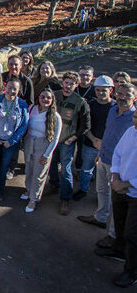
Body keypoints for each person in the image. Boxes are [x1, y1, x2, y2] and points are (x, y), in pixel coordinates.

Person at [77, 83, 136, 247]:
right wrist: (99, 154)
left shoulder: (133, 119)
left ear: (134, 98)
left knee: (116, 202)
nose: (122, 97)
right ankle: (100, 217)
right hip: (103, 158)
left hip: (119, 168)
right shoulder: (112, 111)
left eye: (127, 95)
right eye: (120, 94)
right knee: (101, 191)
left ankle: (113, 235)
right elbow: (108, 135)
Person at [95, 111, 137, 288]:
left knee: (132, 234)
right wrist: (115, 175)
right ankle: (118, 250)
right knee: (119, 224)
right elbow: (118, 153)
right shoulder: (130, 132)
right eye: (136, 117)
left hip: (133, 193)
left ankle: (131, 272)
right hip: (120, 187)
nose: (136, 121)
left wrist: (125, 183)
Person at [49, 71, 91, 215]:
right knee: (51, 164)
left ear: (76, 85)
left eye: (71, 84)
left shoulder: (80, 102)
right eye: (66, 83)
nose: (68, 86)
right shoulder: (54, 96)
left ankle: (65, 198)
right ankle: (54, 184)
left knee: (66, 170)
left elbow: (86, 125)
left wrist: (73, 138)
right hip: (52, 139)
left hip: (67, 140)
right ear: (62, 83)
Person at [73, 76, 115, 202]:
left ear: (110, 91)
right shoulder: (89, 105)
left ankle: (103, 196)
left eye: (104, 90)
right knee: (86, 170)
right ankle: (83, 189)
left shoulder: (115, 108)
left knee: (108, 174)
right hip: (90, 144)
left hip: (108, 147)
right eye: (98, 90)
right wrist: (94, 140)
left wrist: (104, 143)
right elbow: (85, 125)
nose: (101, 93)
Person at [20, 88, 62, 212]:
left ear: (52, 99)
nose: (45, 99)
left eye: (48, 97)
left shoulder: (55, 116)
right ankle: (28, 190)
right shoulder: (32, 108)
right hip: (30, 142)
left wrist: (47, 154)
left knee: (39, 173)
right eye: (42, 97)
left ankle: (34, 198)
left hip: (43, 144)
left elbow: (55, 138)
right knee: (29, 169)